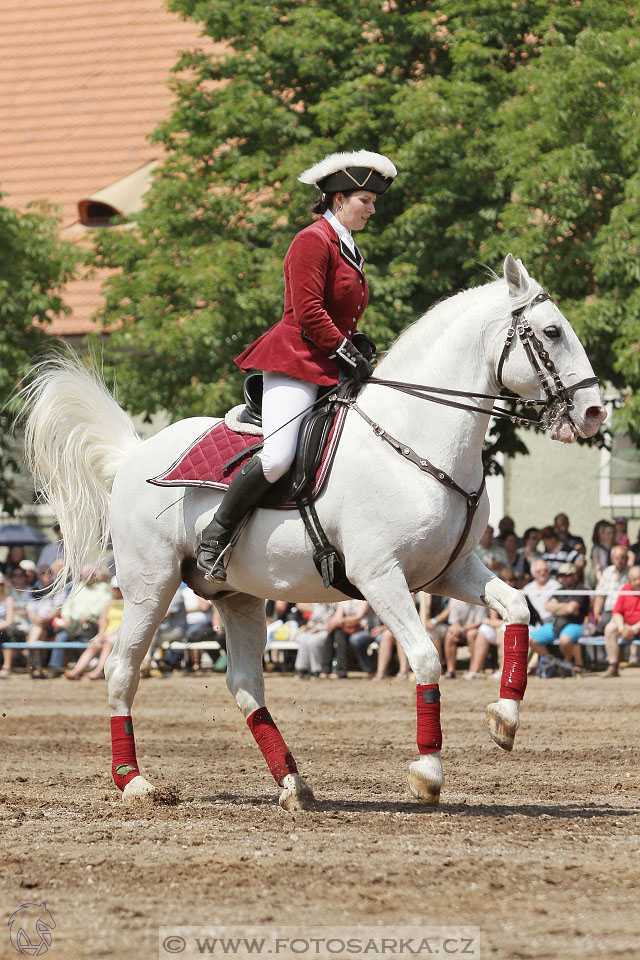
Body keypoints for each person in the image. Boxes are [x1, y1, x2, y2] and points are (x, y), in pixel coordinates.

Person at [195, 150, 397, 580]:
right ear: (339, 198)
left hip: (329, 359)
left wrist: (355, 346)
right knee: (278, 458)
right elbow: (307, 312)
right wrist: (347, 351)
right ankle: (216, 533)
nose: (373, 209)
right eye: (366, 200)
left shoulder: (348, 246)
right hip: (296, 359)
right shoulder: (312, 239)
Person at [528, 562, 590, 669]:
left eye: (567, 575)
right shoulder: (559, 590)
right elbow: (547, 606)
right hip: (556, 623)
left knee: (564, 640)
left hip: (575, 624)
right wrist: (565, 608)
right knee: (530, 639)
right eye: (561, 575)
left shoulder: (581, 589)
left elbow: (571, 609)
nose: (564, 578)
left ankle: (567, 664)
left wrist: (558, 607)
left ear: (575, 575)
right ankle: (554, 662)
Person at [66, 577, 124, 680]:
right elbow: (103, 620)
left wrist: (109, 634)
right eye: (116, 588)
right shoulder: (110, 603)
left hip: (121, 633)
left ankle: (99, 671)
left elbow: (126, 623)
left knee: (107, 644)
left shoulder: (127, 604)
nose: (117, 590)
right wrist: (101, 633)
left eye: (119, 588)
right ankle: (76, 671)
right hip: (108, 633)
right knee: (94, 644)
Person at [602, 566, 640, 678]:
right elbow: (617, 612)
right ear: (629, 580)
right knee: (610, 628)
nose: (638, 582)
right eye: (635, 579)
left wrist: (633, 629)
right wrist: (621, 628)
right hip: (626, 626)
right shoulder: (625, 589)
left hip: (635, 628)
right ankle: (613, 666)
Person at [592, 545, 630, 634]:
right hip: (608, 610)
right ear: (612, 559)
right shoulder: (607, 572)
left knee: (613, 630)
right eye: (617, 558)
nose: (619, 560)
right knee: (597, 631)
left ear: (627, 559)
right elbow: (601, 594)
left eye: (623, 558)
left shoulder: (632, 573)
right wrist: (596, 612)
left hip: (625, 611)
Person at [0, 574, 15, 678]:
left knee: (3, 635)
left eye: (0, 584)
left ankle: (7, 666)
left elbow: (9, 621)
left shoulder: (8, 599)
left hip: (5, 628)